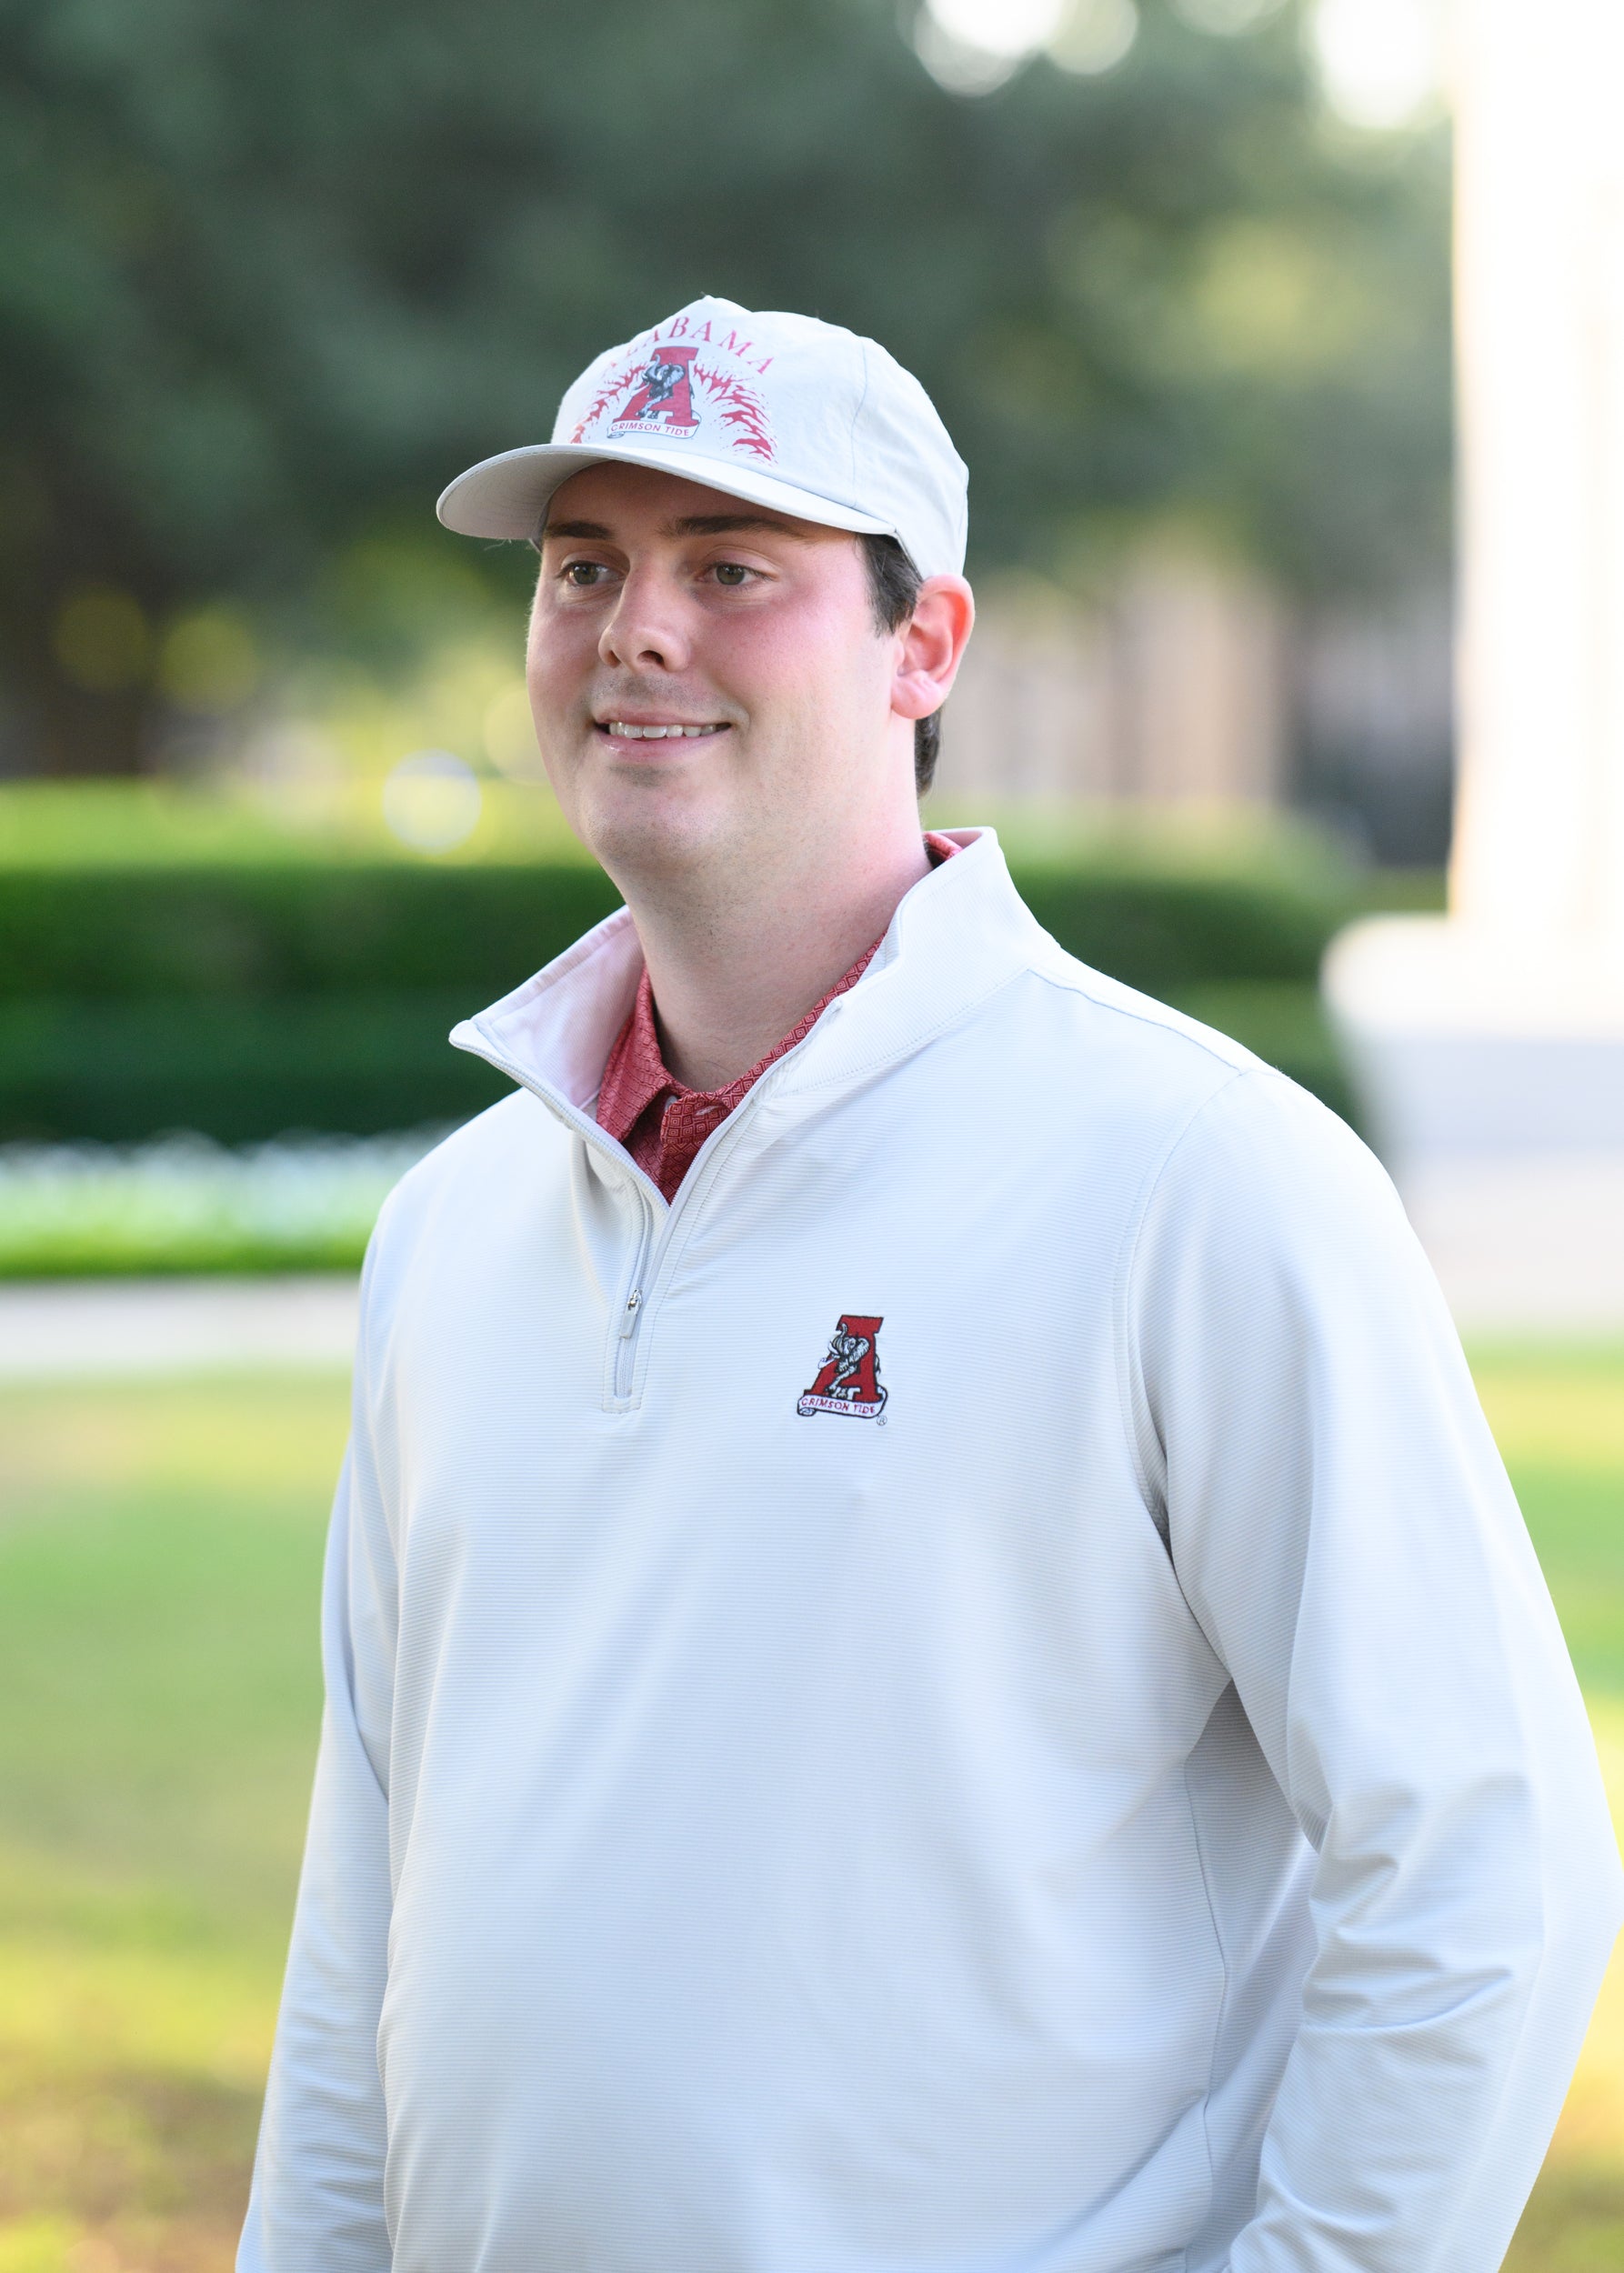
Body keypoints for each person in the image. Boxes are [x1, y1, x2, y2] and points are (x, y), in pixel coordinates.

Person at [240, 296, 1621, 2273]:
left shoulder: (1197, 1178)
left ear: (922, 643)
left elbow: (1487, 1870)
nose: (636, 628)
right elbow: (366, 1909)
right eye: (582, 569)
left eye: (733, 567)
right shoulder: (453, 1228)